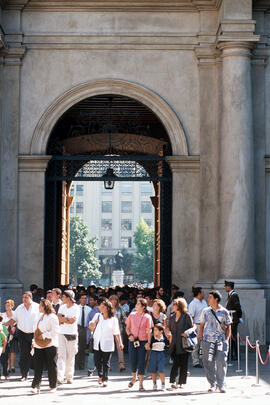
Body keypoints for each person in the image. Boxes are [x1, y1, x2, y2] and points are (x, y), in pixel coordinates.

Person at [200, 290, 232, 393]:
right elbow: (201, 325)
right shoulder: (205, 311)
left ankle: (221, 384)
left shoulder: (224, 311)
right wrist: (201, 339)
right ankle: (212, 384)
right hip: (207, 340)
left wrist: (226, 339)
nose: (208, 299)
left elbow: (228, 326)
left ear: (216, 299)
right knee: (208, 362)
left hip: (220, 341)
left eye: (210, 297)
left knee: (221, 362)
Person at [89, 299, 123, 386]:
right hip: (97, 342)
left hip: (108, 343)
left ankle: (105, 378)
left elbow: (117, 332)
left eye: (103, 307)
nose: (101, 308)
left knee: (106, 362)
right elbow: (90, 326)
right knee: (97, 361)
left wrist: (120, 343)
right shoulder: (97, 316)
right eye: (101, 306)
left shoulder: (113, 319)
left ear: (108, 308)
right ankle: (100, 375)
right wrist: (94, 324)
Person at [9, 291, 40, 381]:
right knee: (24, 355)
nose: (24, 299)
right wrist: (4, 323)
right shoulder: (19, 308)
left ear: (31, 298)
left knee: (36, 354)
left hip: (34, 334)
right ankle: (24, 374)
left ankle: (37, 375)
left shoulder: (37, 307)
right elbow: (13, 320)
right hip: (22, 334)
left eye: (26, 297)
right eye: (23, 297)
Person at [31, 299, 60, 394]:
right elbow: (35, 330)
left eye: (40, 306)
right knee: (38, 366)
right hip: (38, 345)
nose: (39, 307)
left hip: (50, 345)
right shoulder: (39, 316)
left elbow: (56, 331)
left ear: (45, 306)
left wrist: (43, 336)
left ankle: (53, 386)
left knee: (51, 365)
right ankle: (36, 386)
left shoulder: (53, 317)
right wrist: (34, 341)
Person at [125, 297, 154, 391]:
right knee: (133, 361)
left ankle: (141, 384)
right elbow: (127, 328)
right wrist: (129, 335)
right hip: (133, 341)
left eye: (138, 304)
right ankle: (134, 378)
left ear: (143, 307)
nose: (136, 305)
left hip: (143, 341)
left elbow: (149, 330)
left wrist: (148, 343)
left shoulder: (147, 317)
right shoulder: (132, 315)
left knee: (142, 362)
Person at [166, 298, 193, 389]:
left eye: (174, 304)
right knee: (175, 363)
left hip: (184, 343)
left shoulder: (186, 316)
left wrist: (187, 333)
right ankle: (173, 381)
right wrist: (168, 333)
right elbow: (168, 328)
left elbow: (193, 327)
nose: (173, 306)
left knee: (183, 363)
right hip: (174, 343)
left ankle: (181, 382)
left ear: (179, 306)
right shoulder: (172, 317)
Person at [57, 290, 80, 385]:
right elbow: (58, 318)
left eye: (63, 297)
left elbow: (72, 321)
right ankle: (60, 377)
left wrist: (64, 319)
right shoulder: (62, 307)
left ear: (69, 298)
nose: (62, 298)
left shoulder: (76, 308)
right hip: (61, 333)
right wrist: (67, 319)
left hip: (72, 334)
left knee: (71, 356)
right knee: (61, 355)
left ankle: (69, 377)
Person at [188, 287, 207, 368]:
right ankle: (195, 362)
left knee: (205, 343)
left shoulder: (204, 302)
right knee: (196, 344)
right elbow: (191, 316)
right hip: (197, 325)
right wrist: (192, 328)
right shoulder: (193, 304)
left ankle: (204, 359)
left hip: (205, 325)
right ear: (199, 293)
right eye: (202, 292)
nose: (204, 294)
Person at [224, 280, 242, 360]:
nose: (225, 288)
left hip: (233, 319)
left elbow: (238, 307)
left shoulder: (234, 295)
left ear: (229, 287)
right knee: (231, 337)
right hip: (231, 318)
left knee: (233, 337)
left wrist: (239, 317)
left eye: (226, 286)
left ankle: (235, 354)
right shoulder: (230, 295)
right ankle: (231, 354)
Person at [148, 323, 168, 391]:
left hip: (161, 354)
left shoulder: (164, 338)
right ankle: (154, 384)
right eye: (154, 330)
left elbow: (168, 345)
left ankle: (163, 384)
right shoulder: (152, 338)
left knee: (161, 370)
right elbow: (149, 346)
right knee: (153, 371)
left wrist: (170, 338)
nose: (154, 332)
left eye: (156, 330)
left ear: (161, 331)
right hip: (153, 354)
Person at [109, 295, 126, 371]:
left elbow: (124, 317)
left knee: (120, 347)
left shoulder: (120, 309)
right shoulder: (107, 309)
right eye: (112, 300)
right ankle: (108, 364)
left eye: (115, 300)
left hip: (119, 330)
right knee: (109, 348)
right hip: (109, 331)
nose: (114, 301)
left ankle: (121, 364)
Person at [2, 299, 19, 374]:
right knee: (7, 351)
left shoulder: (15, 314)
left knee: (13, 350)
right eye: (6, 305)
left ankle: (12, 366)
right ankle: (8, 366)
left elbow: (17, 322)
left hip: (13, 334)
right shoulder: (2, 314)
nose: (7, 307)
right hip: (5, 335)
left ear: (12, 306)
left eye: (9, 305)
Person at [76, 293, 91, 370]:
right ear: (79, 299)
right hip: (77, 327)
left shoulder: (89, 309)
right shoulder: (76, 308)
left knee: (82, 347)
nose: (84, 300)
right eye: (82, 298)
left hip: (85, 328)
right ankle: (75, 363)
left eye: (85, 298)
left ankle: (81, 363)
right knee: (75, 346)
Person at [86, 294, 100, 376]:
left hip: (101, 335)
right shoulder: (92, 311)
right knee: (92, 352)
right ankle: (90, 369)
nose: (90, 302)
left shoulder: (96, 311)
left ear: (96, 301)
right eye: (89, 300)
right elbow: (88, 324)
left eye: (91, 300)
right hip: (93, 334)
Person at [0, 314, 9, 379]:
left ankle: (5, 373)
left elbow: (5, 338)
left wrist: (4, 348)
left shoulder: (3, 327)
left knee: (4, 361)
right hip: (2, 347)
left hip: (2, 347)